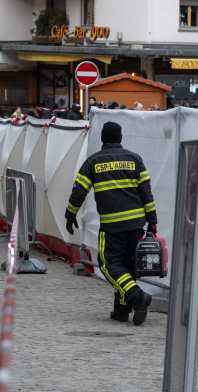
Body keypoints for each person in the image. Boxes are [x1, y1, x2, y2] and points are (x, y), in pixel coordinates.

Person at [64, 121, 156, 325]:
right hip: (136, 223)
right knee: (127, 266)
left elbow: (79, 190)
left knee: (108, 264)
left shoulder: (94, 161)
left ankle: (137, 296)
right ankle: (121, 311)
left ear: (103, 139)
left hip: (112, 225)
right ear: (120, 138)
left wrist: (70, 214)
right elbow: (146, 193)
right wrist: (152, 221)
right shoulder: (135, 159)